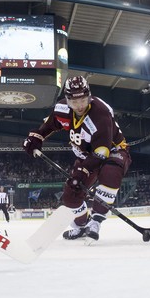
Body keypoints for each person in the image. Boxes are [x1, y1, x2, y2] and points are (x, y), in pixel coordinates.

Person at [22, 76, 131, 243]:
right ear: (67, 100)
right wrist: (37, 136)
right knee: (70, 195)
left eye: (83, 100)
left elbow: (101, 152)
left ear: (89, 96)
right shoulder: (62, 109)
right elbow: (50, 124)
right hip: (86, 155)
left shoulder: (100, 113)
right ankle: (81, 225)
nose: (79, 105)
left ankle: (95, 222)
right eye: (74, 101)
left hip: (113, 150)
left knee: (110, 172)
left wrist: (83, 169)